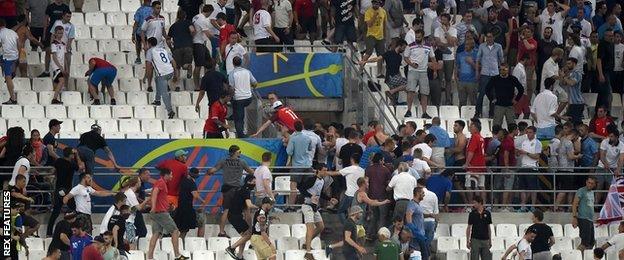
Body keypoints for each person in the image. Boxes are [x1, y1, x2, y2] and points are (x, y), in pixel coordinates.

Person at [207, 145, 254, 237]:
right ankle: (250, 230)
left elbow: (213, 170)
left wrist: (208, 172)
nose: (240, 153)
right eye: (239, 152)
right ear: (236, 152)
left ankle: (221, 231)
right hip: (238, 190)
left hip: (227, 189)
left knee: (226, 210)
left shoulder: (223, 161)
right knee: (246, 210)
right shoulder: (242, 162)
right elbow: (251, 172)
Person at [147, 169, 188, 260]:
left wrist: (168, 206)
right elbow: (154, 194)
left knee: (156, 234)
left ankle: (150, 257)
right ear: (166, 175)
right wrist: (153, 207)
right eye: (171, 174)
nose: (172, 176)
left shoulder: (160, 183)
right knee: (175, 231)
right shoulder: (161, 182)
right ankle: (177, 255)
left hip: (159, 212)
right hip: (161, 213)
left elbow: (159, 198)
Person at [403, 29, 437, 118]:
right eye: (416, 37)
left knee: (424, 93)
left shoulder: (428, 46)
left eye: (419, 37)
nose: (417, 38)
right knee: (410, 91)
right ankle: (409, 110)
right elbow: (405, 57)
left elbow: (433, 58)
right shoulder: (410, 46)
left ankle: (424, 112)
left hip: (423, 72)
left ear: (422, 36)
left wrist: (435, 70)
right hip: (412, 71)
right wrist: (411, 64)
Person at [224, 174, 257, 259]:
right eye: (254, 182)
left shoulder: (241, 189)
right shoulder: (245, 191)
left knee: (245, 236)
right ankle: (231, 248)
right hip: (235, 216)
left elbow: (246, 210)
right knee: (248, 235)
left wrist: (249, 224)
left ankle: (240, 255)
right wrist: (259, 207)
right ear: (248, 181)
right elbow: (249, 205)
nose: (255, 184)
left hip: (235, 215)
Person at [327, 153, 366, 223]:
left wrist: (324, 172)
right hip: (358, 195)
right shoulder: (362, 170)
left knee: (340, 211)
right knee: (355, 213)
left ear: (352, 160)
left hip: (349, 194)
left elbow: (335, 173)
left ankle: (347, 226)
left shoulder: (349, 169)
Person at [146, 37, 179, 119]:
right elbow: (173, 61)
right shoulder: (163, 50)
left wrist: (146, 76)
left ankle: (170, 111)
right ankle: (157, 100)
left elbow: (148, 66)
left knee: (164, 93)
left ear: (149, 44)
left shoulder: (150, 51)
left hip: (163, 75)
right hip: (170, 71)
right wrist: (175, 73)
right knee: (156, 79)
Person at [475, 30, 504, 118]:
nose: (488, 38)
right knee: (482, 93)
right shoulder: (482, 46)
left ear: (493, 37)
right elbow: (478, 59)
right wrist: (477, 72)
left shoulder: (498, 46)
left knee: (494, 95)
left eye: (490, 36)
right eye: (487, 37)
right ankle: (477, 112)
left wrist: (501, 72)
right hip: (485, 73)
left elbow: (501, 60)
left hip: (495, 73)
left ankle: (492, 113)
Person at [228, 56, 257, 137]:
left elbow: (231, 88)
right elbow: (255, 83)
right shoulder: (248, 72)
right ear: (241, 63)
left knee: (238, 119)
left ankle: (241, 135)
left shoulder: (232, 73)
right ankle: (234, 116)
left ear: (233, 64)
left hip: (239, 99)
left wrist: (230, 98)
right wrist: (251, 87)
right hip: (248, 98)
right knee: (240, 113)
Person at [40, 0, 69, 78]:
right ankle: (47, 71)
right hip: (51, 32)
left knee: (61, 52)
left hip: (61, 32)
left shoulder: (65, 7)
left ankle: (61, 71)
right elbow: (46, 20)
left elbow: (68, 19)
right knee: (48, 51)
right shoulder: (50, 7)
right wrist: (44, 33)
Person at [365, 153, 392, 238]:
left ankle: (369, 234)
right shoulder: (386, 170)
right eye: (383, 160)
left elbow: (366, 183)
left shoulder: (368, 169)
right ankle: (381, 236)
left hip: (371, 196)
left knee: (374, 216)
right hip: (382, 196)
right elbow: (388, 184)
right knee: (382, 217)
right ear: (380, 160)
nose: (383, 161)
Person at [175, 168, 206, 239]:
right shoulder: (192, 183)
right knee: (202, 221)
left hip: (180, 208)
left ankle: (180, 244)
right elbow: (195, 195)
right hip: (187, 209)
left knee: (183, 230)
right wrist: (203, 201)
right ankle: (200, 241)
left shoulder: (183, 180)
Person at [597, 126, 624, 201]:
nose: (609, 138)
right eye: (609, 136)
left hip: (613, 167)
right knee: (599, 186)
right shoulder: (604, 142)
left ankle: (608, 205)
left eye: (611, 136)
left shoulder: (621, 145)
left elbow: (621, 159)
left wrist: (618, 169)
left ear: (617, 137)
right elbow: (602, 155)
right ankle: (595, 205)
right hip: (601, 166)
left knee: (610, 187)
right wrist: (605, 164)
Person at [166, 10, 194, 81]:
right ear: (185, 16)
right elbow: (192, 30)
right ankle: (189, 67)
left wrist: (170, 47)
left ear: (177, 16)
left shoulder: (173, 26)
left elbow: (168, 40)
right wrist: (191, 38)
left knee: (177, 67)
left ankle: (177, 85)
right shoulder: (188, 22)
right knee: (185, 65)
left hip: (177, 48)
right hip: (188, 46)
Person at [191, 5, 214, 90]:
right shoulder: (202, 19)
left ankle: (205, 83)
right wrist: (217, 38)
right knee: (198, 65)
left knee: (209, 63)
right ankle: (197, 86)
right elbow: (208, 34)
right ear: (209, 12)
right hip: (198, 44)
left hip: (199, 43)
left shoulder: (196, 16)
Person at [572, 176, 597, 251]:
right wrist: (574, 217)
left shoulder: (592, 192)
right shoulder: (581, 190)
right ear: (586, 182)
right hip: (583, 219)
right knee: (584, 243)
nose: (589, 185)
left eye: (592, 183)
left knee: (591, 242)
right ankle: (576, 255)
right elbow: (574, 204)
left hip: (590, 220)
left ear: (594, 185)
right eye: (588, 182)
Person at [465, 119, 487, 201]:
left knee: (469, 185)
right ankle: (483, 204)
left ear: (475, 128)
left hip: (473, 166)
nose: (469, 127)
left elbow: (471, 152)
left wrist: (467, 163)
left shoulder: (474, 137)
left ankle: (471, 205)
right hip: (481, 165)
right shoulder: (481, 138)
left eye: (471, 126)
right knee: (481, 185)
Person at [0, 18, 20, 104]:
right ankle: (12, 71)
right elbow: (19, 44)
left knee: (8, 78)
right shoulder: (13, 32)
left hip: (7, 58)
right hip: (15, 56)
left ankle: (13, 98)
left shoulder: (1, 33)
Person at [466, 196, 492, 260]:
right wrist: (467, 240)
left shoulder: (487, 213)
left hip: (485, 240)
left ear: (480, 203)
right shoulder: (472, 214)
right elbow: (469, 228)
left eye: (475, 203)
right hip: (475, 240)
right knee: (474, 258)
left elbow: (488, 227)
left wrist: (490, 240)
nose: (473, 205)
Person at [597, 29, 615, 111]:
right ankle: (606, 113)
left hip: (610, 71)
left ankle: (602, 112)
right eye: (609, 36)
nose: (611, 37)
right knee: (607, 94)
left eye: (612, 36)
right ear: (605, 36)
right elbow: (599, 60)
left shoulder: (611, 44)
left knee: (604, 94)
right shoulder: (602, 45)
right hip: (604, 72)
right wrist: (601, 74)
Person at [49, 25, 67, 105]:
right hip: (56, 66)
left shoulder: (63, 44)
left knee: (56, 84)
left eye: (62, 33)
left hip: (61, 66)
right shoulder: (54, 44)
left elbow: (64, 57)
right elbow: (54, 56)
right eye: (59, 33)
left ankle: (55, 101)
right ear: (55, 34)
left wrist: (65, 67)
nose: (60, 35)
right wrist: (60, 67)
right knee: (62, 80)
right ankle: (54, 99)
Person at [132, 0, 152, 65]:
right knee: (145, 46)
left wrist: (133, 33)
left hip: (141, 31)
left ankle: (139, 58)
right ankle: (145, 59)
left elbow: (136, 23)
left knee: (139, 45)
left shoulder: (140, 10)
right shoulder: (153, 10)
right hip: (148, 32)